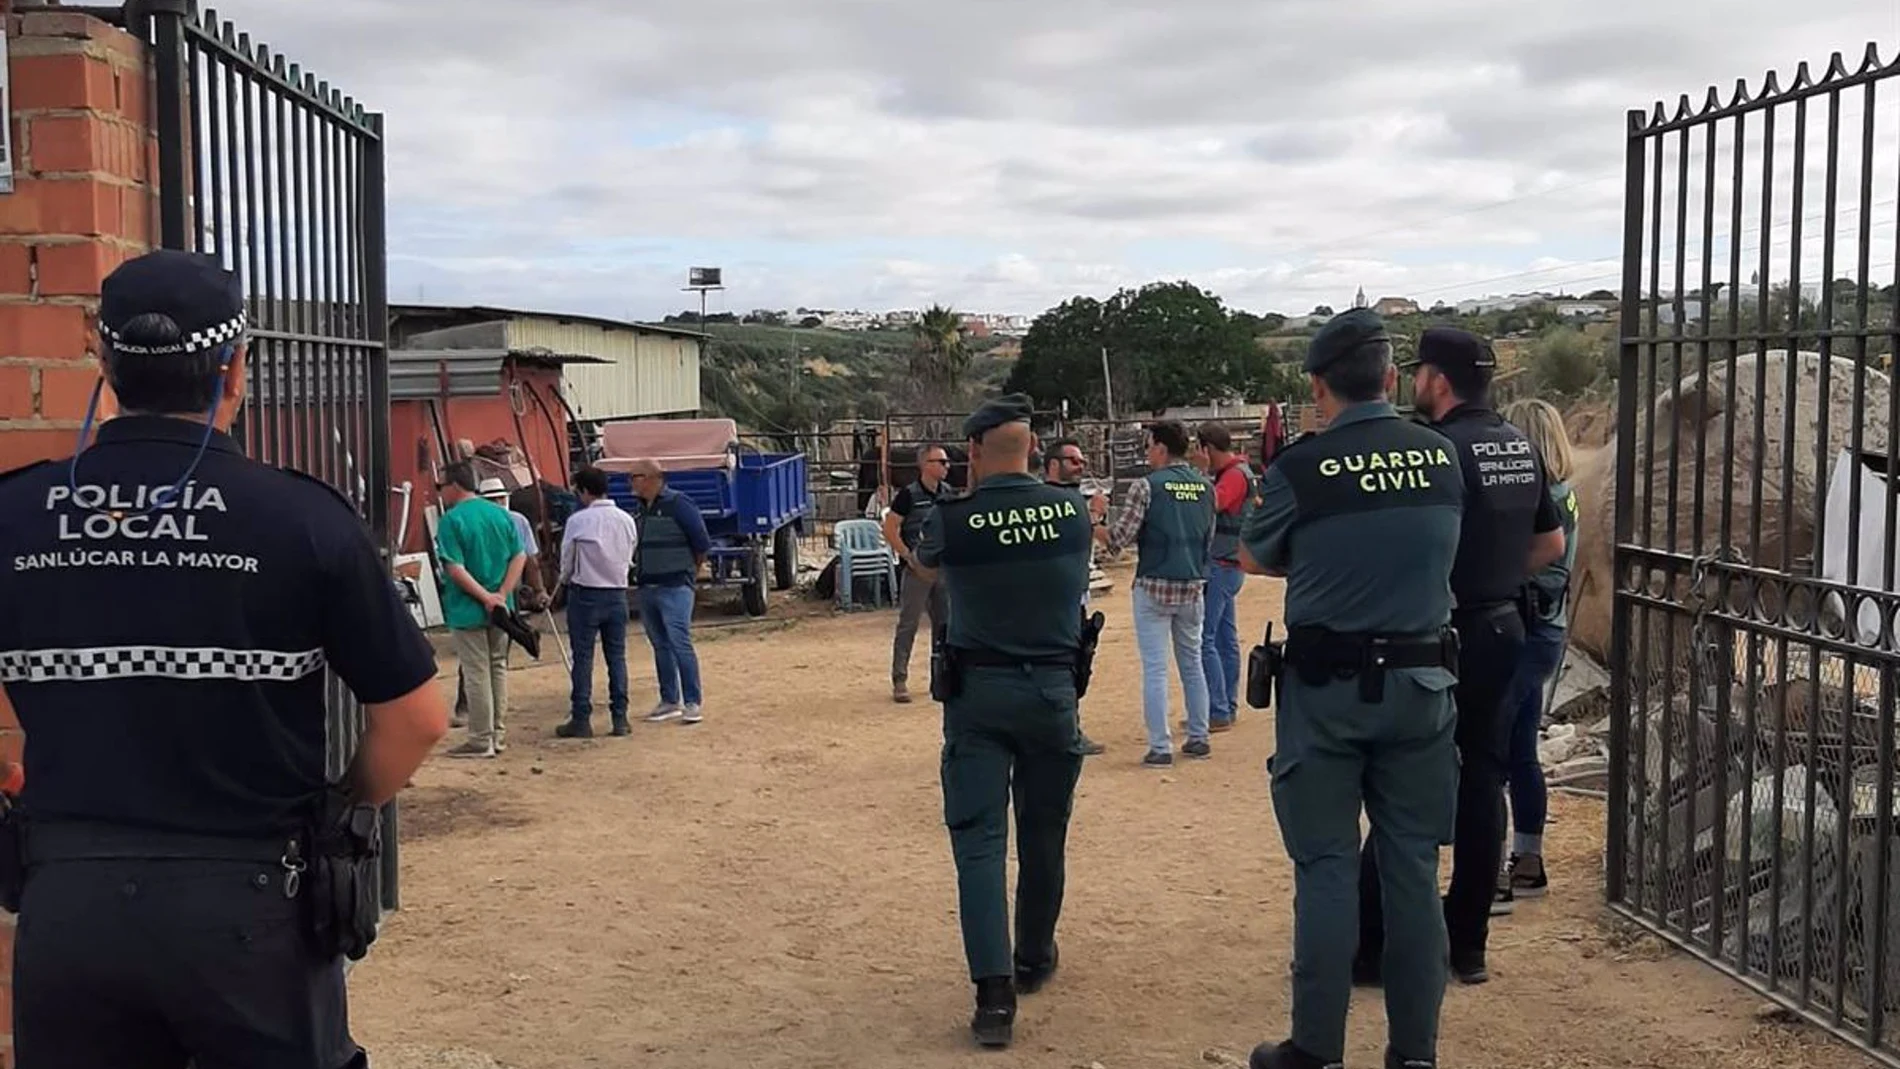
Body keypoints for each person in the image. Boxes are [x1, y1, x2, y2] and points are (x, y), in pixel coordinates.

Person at [0, 249, 448, 1068]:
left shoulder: (16, 512)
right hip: (252, 906)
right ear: (237, 365)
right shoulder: (302, 519)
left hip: (70, 901)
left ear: (101, 357)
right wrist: (343, 805)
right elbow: (417, 716)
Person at [1237, 309, 1465, 1069]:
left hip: (1327, 694)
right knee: (1412, 871)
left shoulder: (1300, 468)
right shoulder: (1439, 458)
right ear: (1392, 379)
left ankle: (1316, 1050)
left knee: (1328, 867)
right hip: (1423, 684)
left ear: (1317, 385)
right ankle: (1415, 1054)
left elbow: (1256, 557)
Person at [1355, 328, 1566, 987]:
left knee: (1403, 779)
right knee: (1484, 778)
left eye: (1419, 371)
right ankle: (1467, 944)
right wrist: (1495, 578)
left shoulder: (1435, 448)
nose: (1414, 381)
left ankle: (1373, 943)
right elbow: (1552, 543)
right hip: (1504, 626)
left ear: (1438, 380)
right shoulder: (1519, 444)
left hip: (1438, 633)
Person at [911, 394, 1094, 1049]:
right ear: (1031, 448)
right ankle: (1035, 953)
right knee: (1045, 833)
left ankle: (994, 997)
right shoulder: (1073, 511)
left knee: (980, 844)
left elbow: (928, 568)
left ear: (976, 452)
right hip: (1052, 689)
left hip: (979, 694)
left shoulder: (954, 516)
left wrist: (898, 535)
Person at [1495, 398, 1579, 907]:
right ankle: (1527, 859)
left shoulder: (1534, 496)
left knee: (1490, 757)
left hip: (1522, 630)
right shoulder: (1565, 493)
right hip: (1550, 628)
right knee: (1522, 752)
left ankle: (1494, 873)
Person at [1096, 419, 1216, 767]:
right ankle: (1199, 736)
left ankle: (1160, 745)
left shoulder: (1146, 487)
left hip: (1154, 584)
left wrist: (1095, 522)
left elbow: (1119, 539)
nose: (1147, 452)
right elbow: (1206, 539)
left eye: (1149, 445)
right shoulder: (1205, 486)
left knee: (1155, 668)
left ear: (1161, 448)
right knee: (1192, 663)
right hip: (1193, 583)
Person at [436, 460, 528, 759]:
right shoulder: (500, 516)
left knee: (476, 673)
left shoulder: (451, 520)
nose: (440, 491)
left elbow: (454, 567)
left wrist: (484, 597)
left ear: (455, 485)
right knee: (498, 667)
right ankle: (498, 734)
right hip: (503, 610)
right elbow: (519, 557)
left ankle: (480, 738)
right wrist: (501, 594)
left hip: (468, 608)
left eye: (441, 485)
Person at [625, 458, 713, 724]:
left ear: (651, 478)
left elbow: (701, 542)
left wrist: (689, 573)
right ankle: (669, 700)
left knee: (679, 641)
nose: (631, 483)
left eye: (635, 477)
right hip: (648, 585)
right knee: (660, 645)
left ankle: (692, 701)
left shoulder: (679, 504)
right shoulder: (640, 509)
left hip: (675, 586)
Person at [555, 466, 640, 739]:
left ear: (583, 490)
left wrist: (563, 581)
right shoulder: (626, 519)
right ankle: (620, 718)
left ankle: (581, 717)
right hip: (617, 593)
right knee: (616, 656)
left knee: (583, 658)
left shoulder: (579, 521)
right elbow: (631, 552)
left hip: (586, 592)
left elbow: (566, 559)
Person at [452, 477, 542, 727]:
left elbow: (455, 564)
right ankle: (490, 719)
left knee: (478, 662)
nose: (498, 502)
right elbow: (527, 560)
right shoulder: (512, 520)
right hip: (503, 596)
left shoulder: (471, 519)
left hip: (481, 594)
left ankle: (476, 714)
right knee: (494, 660)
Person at [1040, 437, 1108, 756]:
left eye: (1081, 461)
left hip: (1074, 592)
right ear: (1054, 465)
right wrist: (1094, 517)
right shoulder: (1049, 499)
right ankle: (1066, 732)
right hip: (1056, 596)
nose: (1080, 466)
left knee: (1077, 662)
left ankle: (1067, 728)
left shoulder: (1069, 497)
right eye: (1073, 461)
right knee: (1064, 665)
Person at [1195, 422, 1256, 732]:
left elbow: (1211, 505)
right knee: (1224, 638)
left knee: (1206, 639)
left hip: (1222, 565)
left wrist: (1201, 475)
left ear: (1207, 449)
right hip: (1230, 564)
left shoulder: (1232, 476)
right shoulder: (1238, 471)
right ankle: (1225, 706)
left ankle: (1218, 709)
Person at [884, 443, 951, 704]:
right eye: (941, 462)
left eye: (946, 462)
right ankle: (900, 679)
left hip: (943, 570)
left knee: (943, 626)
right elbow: (889, 529)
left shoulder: (947, 494)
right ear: (925, 465)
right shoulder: (908, 495)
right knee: (908, 624)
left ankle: (940, 678)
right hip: (917, 570)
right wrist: (908, 557)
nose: (947, 467)